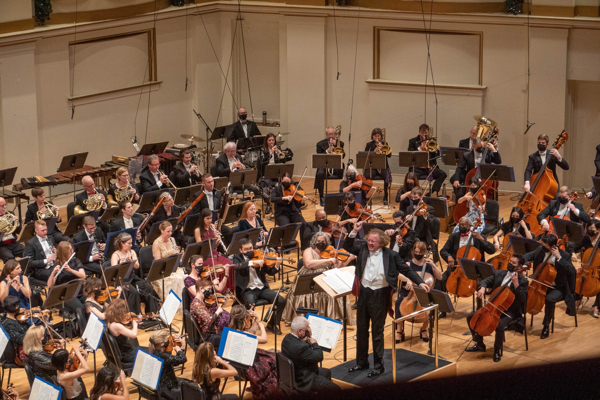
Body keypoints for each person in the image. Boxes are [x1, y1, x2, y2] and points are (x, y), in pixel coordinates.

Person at [343, 221, 430, 377]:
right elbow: (348, 246)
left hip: (380, 294)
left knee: (377, 332)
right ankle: (361, 363)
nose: (369, 243)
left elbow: (406, 270)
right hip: (364, 293)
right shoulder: (362, 249)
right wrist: (354, 232)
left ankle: (378, 366)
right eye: (368, 240)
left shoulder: (391, 255)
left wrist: (421, 282)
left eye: (373, 241)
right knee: (362, 330)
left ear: (381, 242)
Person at [282, 232, 356, 326]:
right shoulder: (309, 250)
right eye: (318, 241)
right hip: (310, 274)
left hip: (326, 275)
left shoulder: (330, 251)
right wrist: (327, 260)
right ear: (314, 241)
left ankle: (329, 318)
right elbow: (308, 263)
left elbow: (337, 267)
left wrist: (349, 259)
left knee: (335, 292)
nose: (320, 243)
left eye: (323, 241)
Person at [465, 254, 529, 362]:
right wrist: (483, 288)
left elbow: (522, 299)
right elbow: (485, 281)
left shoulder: (523, 281)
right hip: (493, 307)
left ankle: (497, 351)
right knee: (471, 317)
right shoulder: (499, 273)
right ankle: (480, 344)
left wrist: (516, 285)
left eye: (513, 263)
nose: (510, 264)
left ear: (519, 266)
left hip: (510, 310)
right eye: (510, 261)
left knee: (499, 326)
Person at [524, 233, 576, 339]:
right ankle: (516, 321)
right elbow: (528, 256)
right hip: (541, 284)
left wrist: (559, 258)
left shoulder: (564, 255)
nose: (542, 245)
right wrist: (524, 264)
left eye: (544, 244)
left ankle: (546, 326)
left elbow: (572, 271)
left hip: (558, 287)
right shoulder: (541, 249)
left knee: (550, 299)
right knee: (522, 293)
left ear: (552, 246)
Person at [232, 238, 286, 334]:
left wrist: (276, 266)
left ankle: (272, 324)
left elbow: (270, 272)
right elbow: (237, 266)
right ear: (240, 250)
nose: (249, 251)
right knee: (250, 304)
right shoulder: (237, 257)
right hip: (248, 290)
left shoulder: (259, 254)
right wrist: (252, 263)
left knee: (281, 300)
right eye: (246, 249)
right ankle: (249, 328)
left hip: (262, 288)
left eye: (251, 248)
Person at [227, 305, 280, 399]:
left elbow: (253, 334)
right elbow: (264, 340)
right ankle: (266, 388)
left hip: (245, 358)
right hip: (247, 365)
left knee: (273, 356)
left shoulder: (233, 330)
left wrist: (256, 320)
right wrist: (262, 327)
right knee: (275, 360)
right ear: (243, 319)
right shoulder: (243, 334)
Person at [394, 242, 442, 343]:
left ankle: (424, 329)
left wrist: (434, 266)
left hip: (424, 294)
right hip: (408, 292)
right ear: (413, 252)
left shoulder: (429, 264)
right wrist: (407, 280)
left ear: (424, 252)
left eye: (420, 252)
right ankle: (399, 331)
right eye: (416, 252)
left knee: (431, 306)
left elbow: (440, 277)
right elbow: (398, 274)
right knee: (398, 302)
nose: (418, 254)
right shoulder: (408, 264)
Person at [281, 316, 340, 392]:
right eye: (306, 329)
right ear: (300, 331)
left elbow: (303, 349)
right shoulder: (301, 348)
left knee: (327, 372)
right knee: (337, 389)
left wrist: (308, 337)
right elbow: (319, 356)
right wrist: (314, 343)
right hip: (304, 380)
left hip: (294, 373)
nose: (308, 330)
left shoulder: (286, 339)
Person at [440, 217, 496, 289]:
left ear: (470, 226)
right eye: (459, 225)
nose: (461, 227)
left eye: (463, 225)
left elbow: (492, 250)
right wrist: (448, 257)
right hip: (457, 267)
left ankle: (479, 299)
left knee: (480, 286)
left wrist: (481, 239)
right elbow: (443, 251)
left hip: (474, 269)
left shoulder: (478, 237)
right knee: (441, 280)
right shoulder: (453, 236)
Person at [111, 233, 159, 315]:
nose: (131, 245)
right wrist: (122, 264)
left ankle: (149, 312)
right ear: (122, 243)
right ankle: (135, 315)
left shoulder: (132, 252)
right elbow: (114, 271)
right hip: (122, 280)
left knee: (147, 286)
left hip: (132, 277)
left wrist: (131, 261)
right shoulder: (115, 255)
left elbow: (137, 266)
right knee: (134, 292)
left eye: (131, 243)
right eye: (129, 243)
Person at [407, 124, 446, 197]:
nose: (424, 134)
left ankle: (432, 192)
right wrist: (420, 149)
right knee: (413, 177)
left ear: (428, 132)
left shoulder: (432, 141)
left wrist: (431, 148)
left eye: (426, 133)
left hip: (430, 167)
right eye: (422, 132)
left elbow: (437, 155)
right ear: (419, 132)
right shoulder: (413, 141)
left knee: (443, 174)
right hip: (418, 167)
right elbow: (410, 154)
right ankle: (416, 194)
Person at [572, 220, 600, 317]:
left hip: (598, 269)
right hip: (586, 267)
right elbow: (573, 246)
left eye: (592, 229)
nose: (589, 231)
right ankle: (577, 300)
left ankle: (597, 306)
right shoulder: (586, 239)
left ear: (598, 230)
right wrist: (573, 254)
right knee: (580, 279)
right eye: (588, 228)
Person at [47, 241, 86, 312]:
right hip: (66, 295)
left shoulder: (76, 261)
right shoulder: (57, 265)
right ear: (64, 252)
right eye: (70, 250)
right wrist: (53, 273)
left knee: (89, 304)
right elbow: (50, 285)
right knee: (79, 308)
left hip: (78, 291)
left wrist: (71, 270)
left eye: (72, 249)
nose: (72, 251)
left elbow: (83, 276)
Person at [148, 330, 187, 400]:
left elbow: (173, 362)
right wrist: (180, 349)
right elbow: (182, 359)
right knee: (191, 387)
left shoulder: (153, 351)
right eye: (166, 339)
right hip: (167, 388)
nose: (168, 341)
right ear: (161, 343)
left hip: (160, 384)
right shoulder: (162, 356)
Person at [190, 278, 229, 344]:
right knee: (229, 339)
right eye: (208, 289)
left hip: (212, 331)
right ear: (201, 289)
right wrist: (217, 312)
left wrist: (223, 305)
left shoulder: (201, 302)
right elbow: (208, 321)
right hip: (207, 337)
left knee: (230, 334)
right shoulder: (197, 305)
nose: (210, 292)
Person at [314, 126, 345, 206]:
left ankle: (343, 195)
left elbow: (343, 156)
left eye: (332, 134)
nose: (330, 136)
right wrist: (328, 150)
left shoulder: (340, 143)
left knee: (346, 171)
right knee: (319, 174)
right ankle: (322, 196)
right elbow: (319, 157)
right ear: (326, 134)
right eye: (329, 134)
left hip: (335, 165)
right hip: (324, 165)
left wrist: (336, 147)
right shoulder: (320, 144)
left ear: (335, 134)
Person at [362, 127, 392, 205]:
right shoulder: (369, 145)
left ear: (381, 137)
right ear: (372, 137)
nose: (377, 138)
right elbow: (365, 156)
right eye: (375, 136)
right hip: (372, 167)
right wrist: (374, 152)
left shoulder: (385, 144)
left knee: (386, 176)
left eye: (378, 136)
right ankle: (368, 196)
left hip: (382, 166)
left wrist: (383, 148)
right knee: (367, 176)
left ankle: (385, 196)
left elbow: (389, 155)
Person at [105, 298, 140, 363]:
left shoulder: (109, 322)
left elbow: (125, 332)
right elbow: (134, 335)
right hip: (127, 354)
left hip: (125, 351)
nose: (125, 313)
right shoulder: (116, 326)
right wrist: (135, 324)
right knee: (153, 354)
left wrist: (132, 326)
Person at [1, 296, 28, 363]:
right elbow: (19, 339)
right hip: (20, 354)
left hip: (27, 346)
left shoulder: (17, 318)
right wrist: (31, 331)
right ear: (16, 307)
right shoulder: (8, 324)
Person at [0, 196, 24, 262]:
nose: (5, 207)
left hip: (14, 243)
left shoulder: (10, 214)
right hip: (2, 246)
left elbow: (18, 231)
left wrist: (17, 223)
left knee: (27, 252)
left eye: (5, 204)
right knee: (10, 259)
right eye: (2, 206)